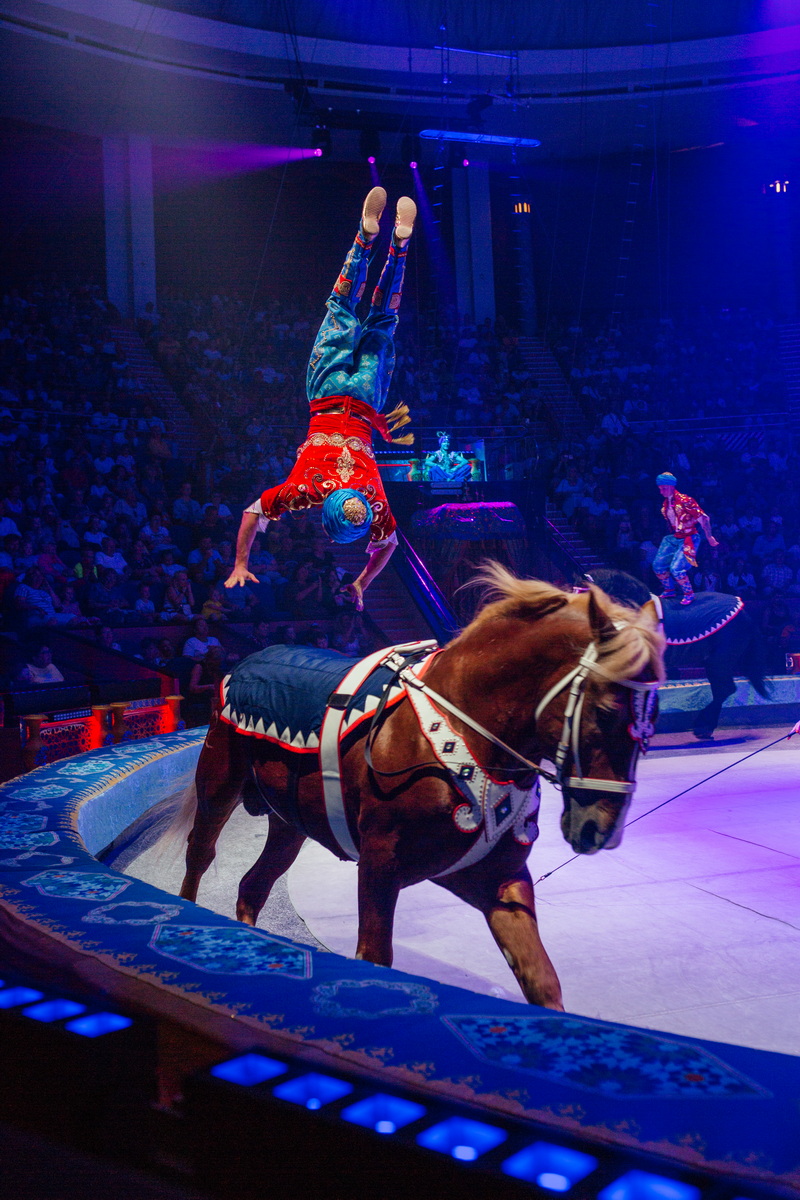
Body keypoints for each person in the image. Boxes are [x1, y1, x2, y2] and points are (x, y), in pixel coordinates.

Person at [226, 187, 416, 611]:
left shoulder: (374, 499)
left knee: (383, 319)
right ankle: (366, 238)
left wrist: (364, 581)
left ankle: (398, 246)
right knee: (342, 307)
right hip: (328, 394)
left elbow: (388, 545)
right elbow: (251, 513)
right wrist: (240, 561)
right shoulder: (302, 491)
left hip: (366, 401)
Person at [652, 472, 718, 605]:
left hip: (689, 537)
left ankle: (689, 593)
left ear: (671, 486)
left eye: (663, 488)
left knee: (676, 569)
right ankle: (669, 589)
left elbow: (704, 518)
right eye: (660, 488)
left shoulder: (685, 500)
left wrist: (709, 536)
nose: (661, 491)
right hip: (674, 537)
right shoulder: (665, 504)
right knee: (658, 566)